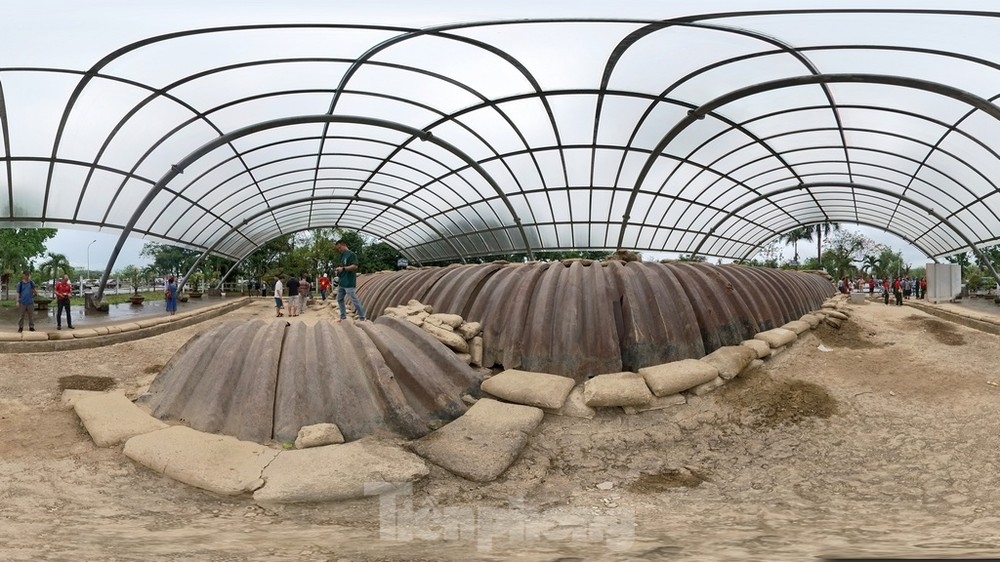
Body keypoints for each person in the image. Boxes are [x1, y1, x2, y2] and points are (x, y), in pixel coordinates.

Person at [334, 239, 366, 322]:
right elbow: (342, 266)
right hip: (342, 282)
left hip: (349, 282)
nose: (339, 250)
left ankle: (362, 317)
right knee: (339, 299)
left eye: (340, 248)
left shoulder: (351, 255)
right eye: (338, 248)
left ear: (344, 245)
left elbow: (355, 266)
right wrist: (338, 269)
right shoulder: (342, 255)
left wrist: (343, 268)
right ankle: (343, 316)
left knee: (354, 300)